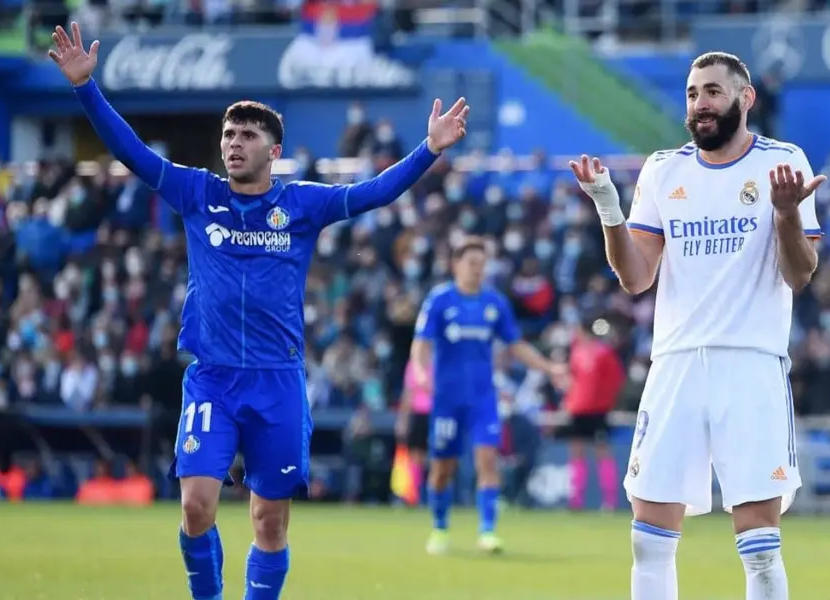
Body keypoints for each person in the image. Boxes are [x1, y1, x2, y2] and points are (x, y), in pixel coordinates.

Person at [48, 22, 468, 600]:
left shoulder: (301, 204)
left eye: (245, 134)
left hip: (277, 381)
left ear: (273, 150)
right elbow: (131, 153)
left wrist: (428, 150)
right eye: (227, 134)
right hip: (213, 379)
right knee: (196, 505)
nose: (232, 143)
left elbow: (374, 192)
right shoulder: (198, 193)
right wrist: (84, 90)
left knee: (269, 521)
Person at [570, 51, 823, 600]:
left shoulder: (784, 163)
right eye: (691, 94)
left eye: (712, 92)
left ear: (745, 98)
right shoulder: (665, 170)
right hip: (676, 364)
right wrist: (609, 208)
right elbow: (636, 278)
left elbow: (800, 274)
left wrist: (785, 215)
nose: (700, 104)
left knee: (759, 544)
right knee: (650, 539)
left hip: (750, 361)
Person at [410, 236, 569, 555]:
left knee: (488, 459)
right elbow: (422, 343)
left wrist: (549, 368)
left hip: (483, 398)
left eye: (482, 265)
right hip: (447, 399)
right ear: (456, 265)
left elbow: (516, 344)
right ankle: (440, 528)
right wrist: (421, 372)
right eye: (472, 263)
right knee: (443, 468)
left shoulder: (494, 303)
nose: (478, 270)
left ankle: (488, 531)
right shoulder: (440, 300)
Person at [562, 315, 625, 511]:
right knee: (577, 452)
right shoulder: (576, 353)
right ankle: (576, 500)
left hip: (598, 410)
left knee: (602, 453)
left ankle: (609, 502)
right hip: (577, 410)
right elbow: (572, 380)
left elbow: (616, 379)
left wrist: (606, 401)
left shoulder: (603, 353)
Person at [395, 358, 433, 503]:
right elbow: (408, 393)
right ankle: (414, 497)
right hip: (418, 413)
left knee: (439, 457)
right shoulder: (414, 364)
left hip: (437, 413)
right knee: (416, 457)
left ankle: (435, 496)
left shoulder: (442, 360)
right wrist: (403, 419)